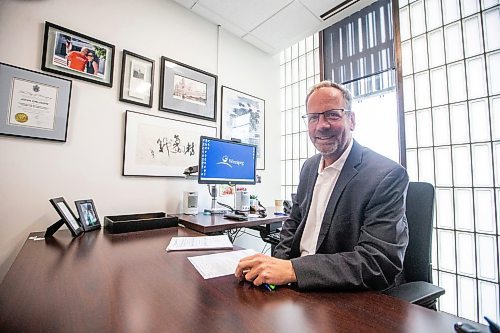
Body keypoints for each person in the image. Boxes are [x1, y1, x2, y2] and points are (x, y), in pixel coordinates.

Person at [235, 80, 409, 291]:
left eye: (332, 115)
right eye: (313, 117)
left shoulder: (386, 175)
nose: (321, 125)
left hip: (345, 293)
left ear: (351, 120)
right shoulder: (309, 167)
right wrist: (273, 272)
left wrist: (293, 270)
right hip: (297, 286)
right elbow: (293, 222)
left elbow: (377, 262)